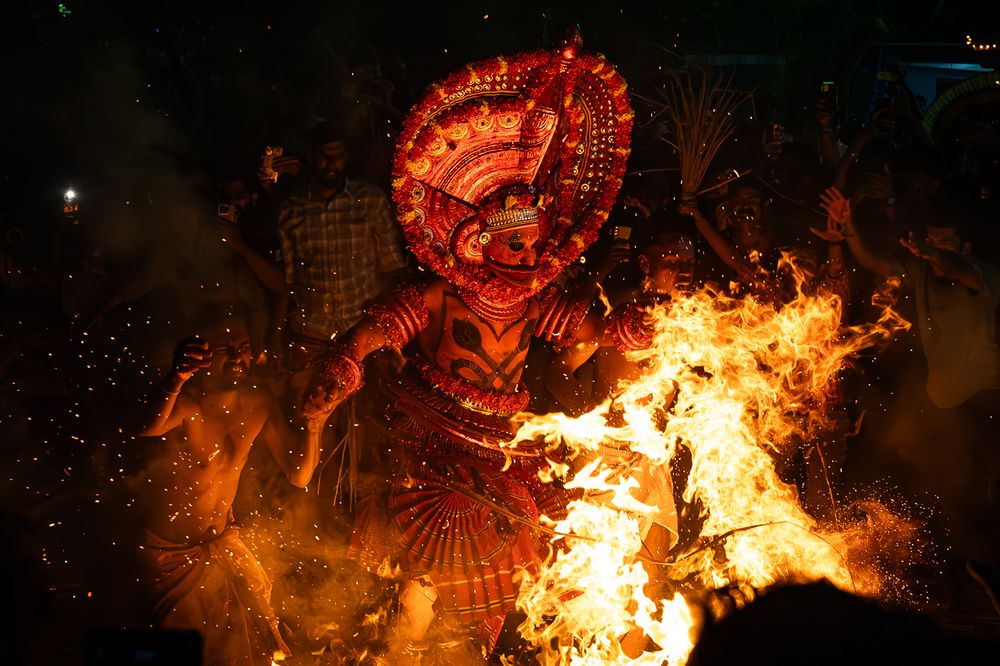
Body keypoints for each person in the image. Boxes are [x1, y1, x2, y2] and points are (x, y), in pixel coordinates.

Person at [300, 37, 633, 662]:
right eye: (516, 247)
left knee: (502, 586)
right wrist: (343, 365)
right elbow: (372, 335)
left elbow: (584, 329)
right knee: (417, 593)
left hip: (503, 455)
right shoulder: (437, 295)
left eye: (535, 247)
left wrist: (628, 330)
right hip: (430, 453)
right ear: (481, 243)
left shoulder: (533, 301)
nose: (529, 257)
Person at [132, 310, 324, 665]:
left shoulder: (260, 403)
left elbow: (299, 475)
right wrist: (176, 376)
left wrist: (316, 421)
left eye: (243, 347)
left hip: (221, 544)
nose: (238, 357)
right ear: (200, 356)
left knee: (241, 649)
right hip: (171, 557)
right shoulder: (186, 403)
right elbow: (145, 426)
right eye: (225, 349)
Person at [275, 121, 408, 371]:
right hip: (311, 331)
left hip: (360, 330)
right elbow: (288, 280)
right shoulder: (293, 210)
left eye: (338, 157)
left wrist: (395, 334)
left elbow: (392, 268)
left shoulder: (368, 200)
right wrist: (275, 339)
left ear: (347, 158)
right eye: (325, 157)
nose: (331, 165)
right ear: (312, 157)